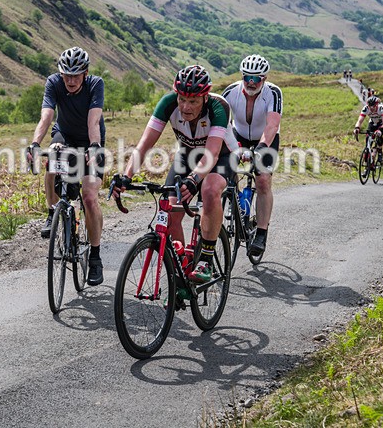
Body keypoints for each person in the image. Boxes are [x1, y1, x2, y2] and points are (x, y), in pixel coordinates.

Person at [112, 65, 237, 283]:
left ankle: (206, 259)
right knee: (169, 213)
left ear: (205, 98)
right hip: (187, 155)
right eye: (182, 99)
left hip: (222, 156)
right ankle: (183, 270)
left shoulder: (219, 107)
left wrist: (194, 180)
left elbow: (212, 153)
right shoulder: (167, 103)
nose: (185, 107)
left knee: (209, 191)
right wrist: (126, 176)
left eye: (193, 101)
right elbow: (143, 146)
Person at [26, 47, 107, 286]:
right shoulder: (54, 83)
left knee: (89, 197)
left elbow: (94, 119)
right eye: (66, 75)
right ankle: (53, 212)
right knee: (52, 157)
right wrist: (34, 143)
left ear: (85, 73)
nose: (70, 81)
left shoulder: (95, 84)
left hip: (91, 140)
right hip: (64, 136)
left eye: (76, 75)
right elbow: (47, 115)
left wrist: (94, 146)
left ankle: (95, 257)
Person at [222, 54, 282, 256]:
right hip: (237, 134)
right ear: (242, 75)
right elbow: (222, 122)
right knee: (225, 171)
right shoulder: (230, 92)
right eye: (247, 76)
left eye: (256, 78)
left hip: (265, 137)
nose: (251, 82)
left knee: (263, 180)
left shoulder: (273, 92)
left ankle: (262, 233)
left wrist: (260, 147)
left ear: (263, 79)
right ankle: (235, 199)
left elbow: (272, 124)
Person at [353, 95, 383, 166]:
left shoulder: (382, 108)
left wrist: (380, 130)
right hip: (373, 122)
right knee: (368, 138)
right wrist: (357, 128)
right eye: (370, 106)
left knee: (379, 134)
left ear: (377, 105)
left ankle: (380, 153)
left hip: (382, 123)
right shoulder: (365, 108)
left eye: (373, 106)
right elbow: (359, 121)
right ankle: (366, 160)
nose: (372, 108)